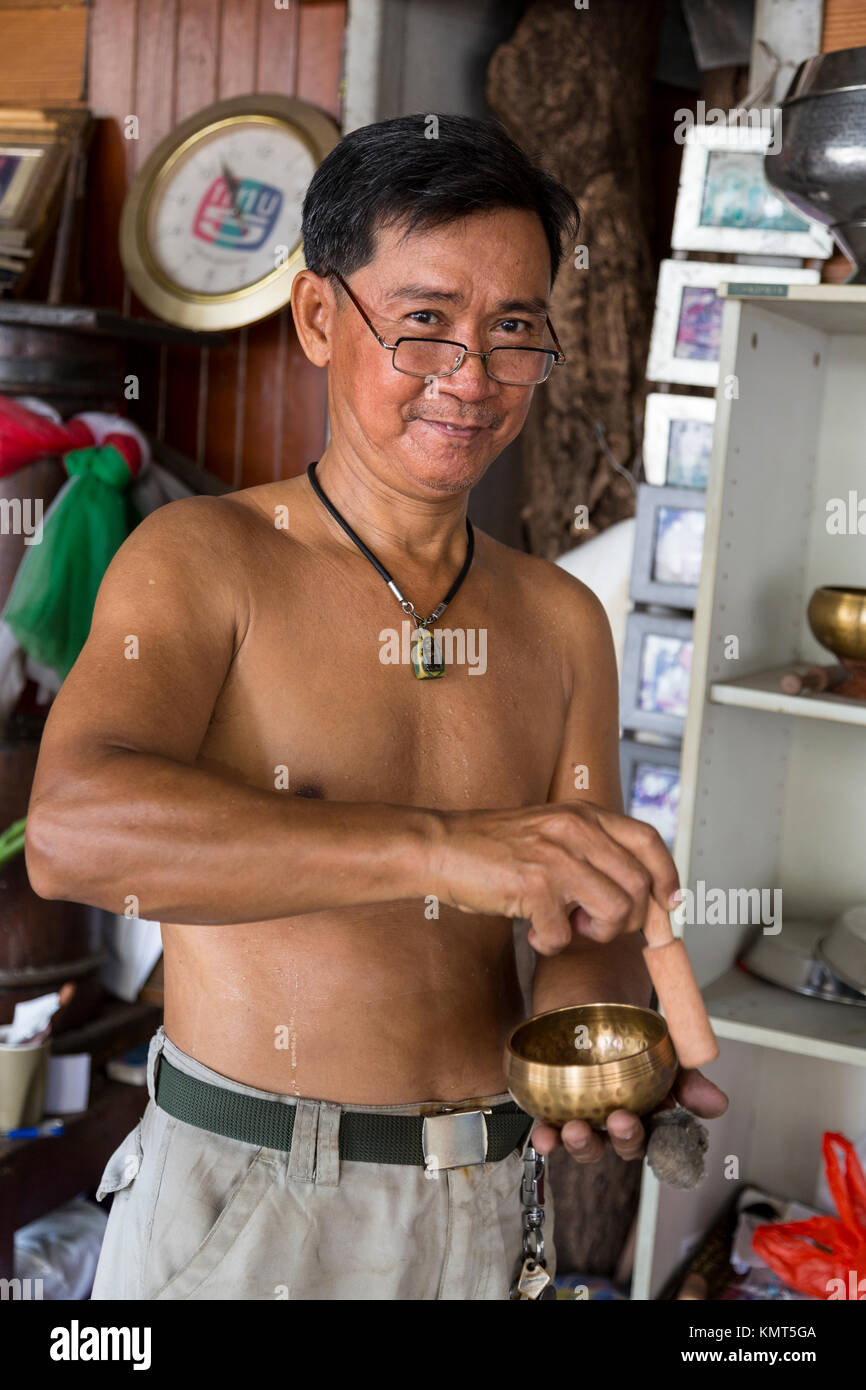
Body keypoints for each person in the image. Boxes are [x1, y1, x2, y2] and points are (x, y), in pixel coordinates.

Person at [26, 113, 727, 1301]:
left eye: (513, 332)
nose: (469, 377)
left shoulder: (560, 618)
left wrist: (600, 1054)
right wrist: (453, 850)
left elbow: (579, 918)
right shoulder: (202, 559)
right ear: (316, 317)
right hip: (250, 1197)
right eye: (423, 327)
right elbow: (73, 835)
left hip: (484, 1201)